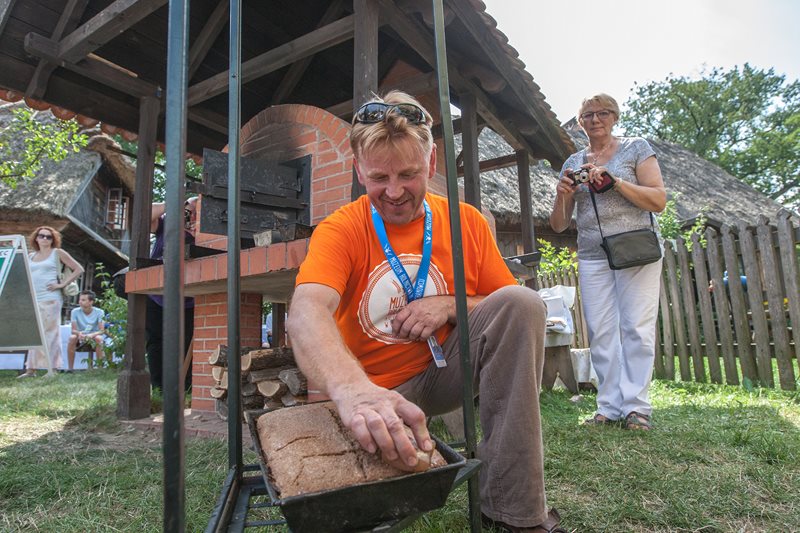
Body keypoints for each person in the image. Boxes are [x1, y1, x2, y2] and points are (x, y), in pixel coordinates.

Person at [286, 91, 564, 532]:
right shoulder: (341, 228)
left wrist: (449, 305)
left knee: (523, 303)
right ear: (359, 170)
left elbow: (507, 304)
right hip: (377, 390)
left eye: (408, 174)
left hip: (447, 371)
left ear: (431, 163)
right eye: (379, 177)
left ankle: (515, 512)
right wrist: (354, 391)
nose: (394, 192)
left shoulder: (466, 221)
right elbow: (306, 311)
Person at [550, 93, 666, 431]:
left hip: (635, 248)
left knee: (636, 327)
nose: (595, 119)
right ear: (579, 123)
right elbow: (558, 225)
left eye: (603, 113)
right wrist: (563, 194)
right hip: (593, 254)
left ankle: (636, 407)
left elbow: (658, 200)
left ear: (614, 117)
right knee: (600, 329)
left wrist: (614, 182)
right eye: (587, 115)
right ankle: (610, 406)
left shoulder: (635, 148)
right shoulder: (573, 162)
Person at [145, 197, 197, 391]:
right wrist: (175, 203)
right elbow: (144, 213)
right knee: (155, 341)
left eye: (194, 212)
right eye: (188, 210)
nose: (190, 215)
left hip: (188, 299)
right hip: (157, 294)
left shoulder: (205, 230)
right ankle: (158, 387)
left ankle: (186, 387)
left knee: (185, 343)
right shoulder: (167, 222)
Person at [18, 226, 84, 378]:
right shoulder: (31, 256)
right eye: (42, 236)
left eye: (49, 237)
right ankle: (31, 369)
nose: (45, 239)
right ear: (36, 238)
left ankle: (52, 368)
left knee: (51, 332)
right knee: (35, 333)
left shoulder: (57, 253)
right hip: (34, 298)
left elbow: (79, 269)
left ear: (53, 240)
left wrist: (62, 284)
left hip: (51, 298)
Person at [67, 290, 106, 370]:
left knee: (99, 338)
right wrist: (79, 334)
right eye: (80, 299)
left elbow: (102, 330)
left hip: (94, 334)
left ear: (91, 302)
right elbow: (73, 330)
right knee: (72, 338)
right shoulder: (75, 312)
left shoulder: (100, 312)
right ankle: (70, 368)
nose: (80, 302)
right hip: (80, 335)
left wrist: (91, 335)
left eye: (83, 300)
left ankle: (100, 368)